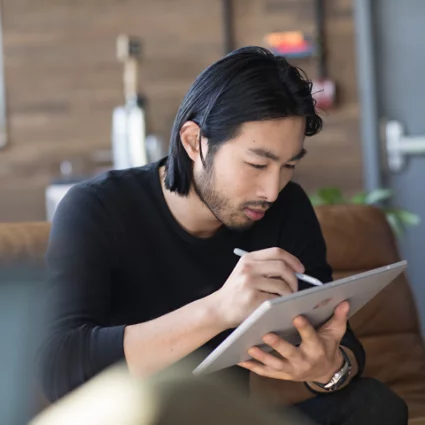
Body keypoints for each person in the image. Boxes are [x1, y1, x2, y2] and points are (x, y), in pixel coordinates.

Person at [40, 46, 408, 424]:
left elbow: (340, 343)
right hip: (142, 416)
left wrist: (327, 370)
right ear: (193, 141)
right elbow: (59, 366)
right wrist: (218, 309)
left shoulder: (286, 207)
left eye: (288, 166)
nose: (271, 189)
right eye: (257, 163)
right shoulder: (96, 208)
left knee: (373, 406)